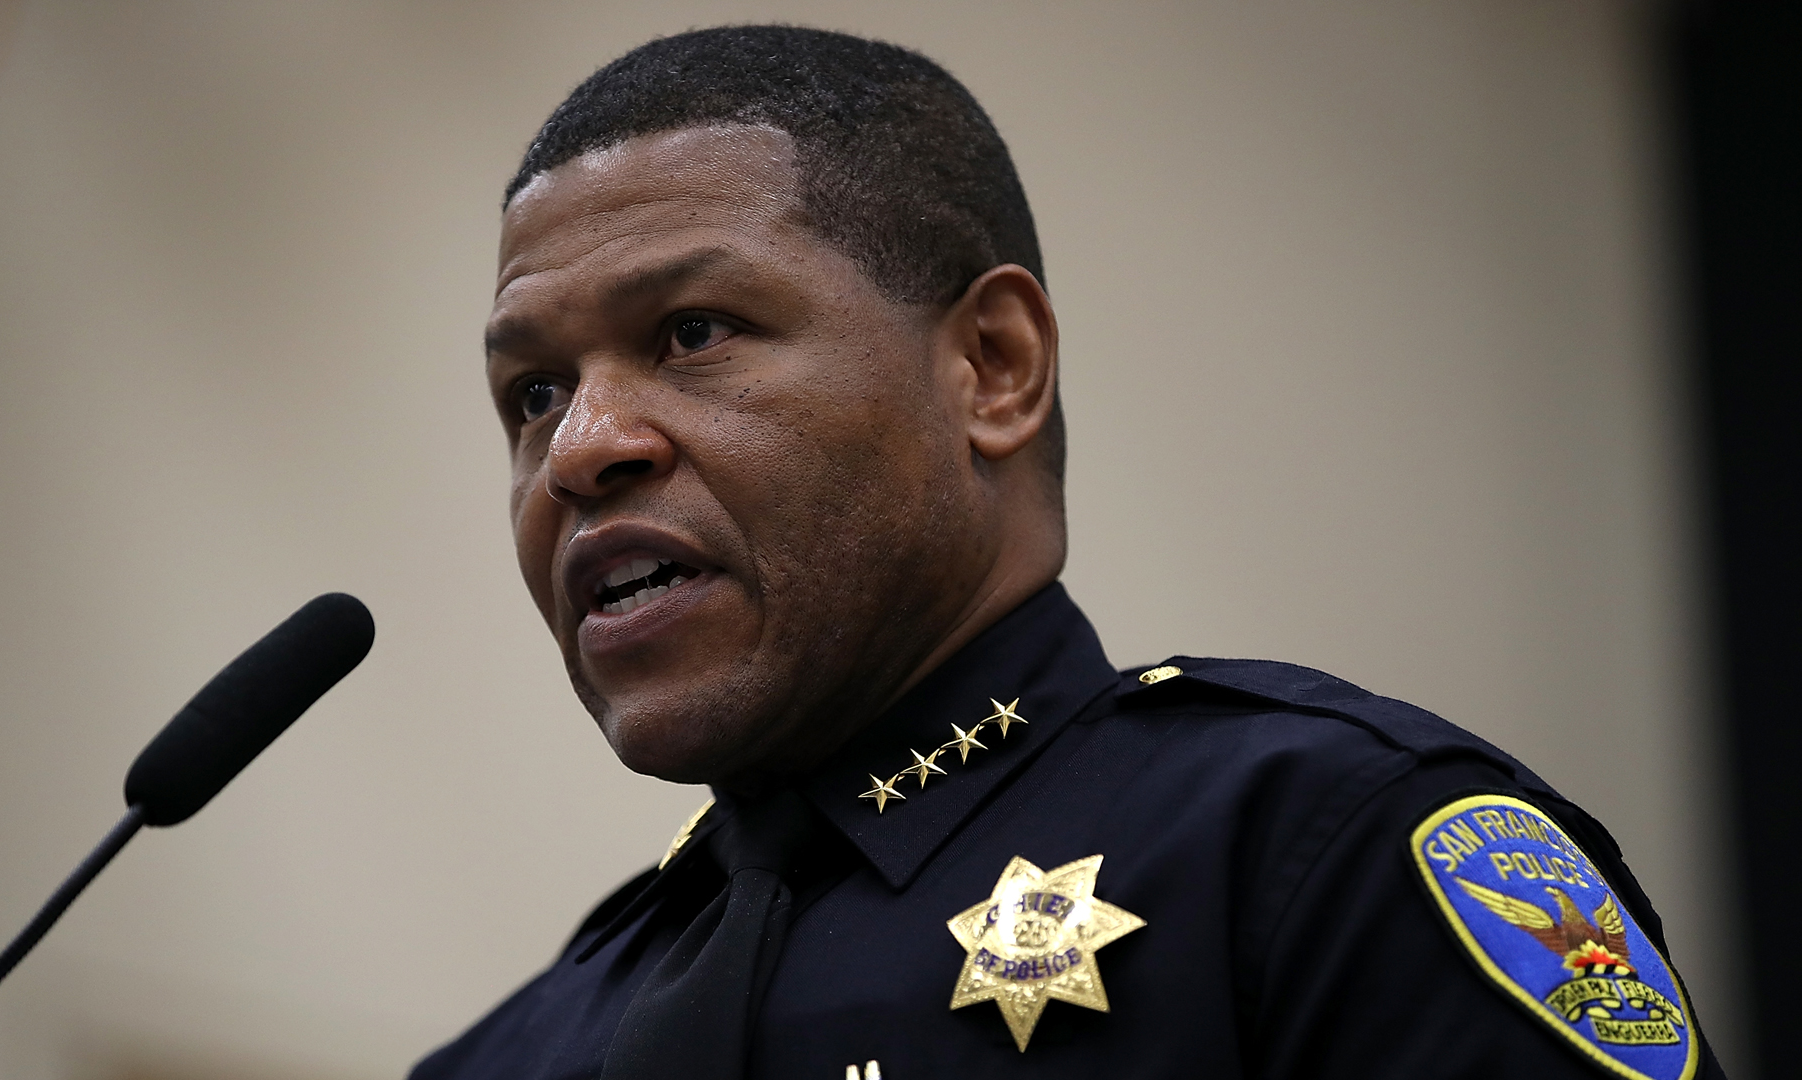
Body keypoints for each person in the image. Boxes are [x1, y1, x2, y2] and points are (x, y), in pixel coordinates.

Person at [413, 25, 1722, 1080]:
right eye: (530, 393)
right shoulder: (514, 1053)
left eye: (693, 332)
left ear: (993, 366)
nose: (581, 448)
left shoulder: (1323, 856)